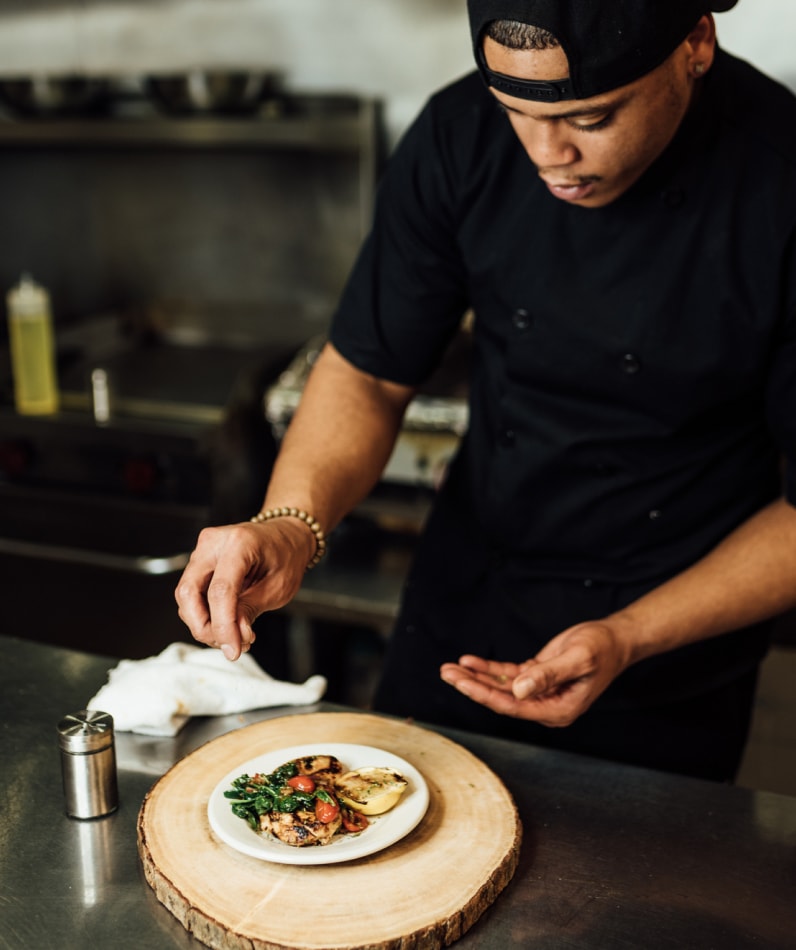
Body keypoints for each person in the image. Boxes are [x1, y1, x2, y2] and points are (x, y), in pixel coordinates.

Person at [175, 0, 796, 782]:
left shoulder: (780, 177)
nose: (548, 155)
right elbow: (368, 370)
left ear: (696, 42)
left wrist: (630, 634)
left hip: (671, 644)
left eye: (593, 118)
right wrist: (291, 524)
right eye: (516, 112)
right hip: (469, 606)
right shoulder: (457, 135)